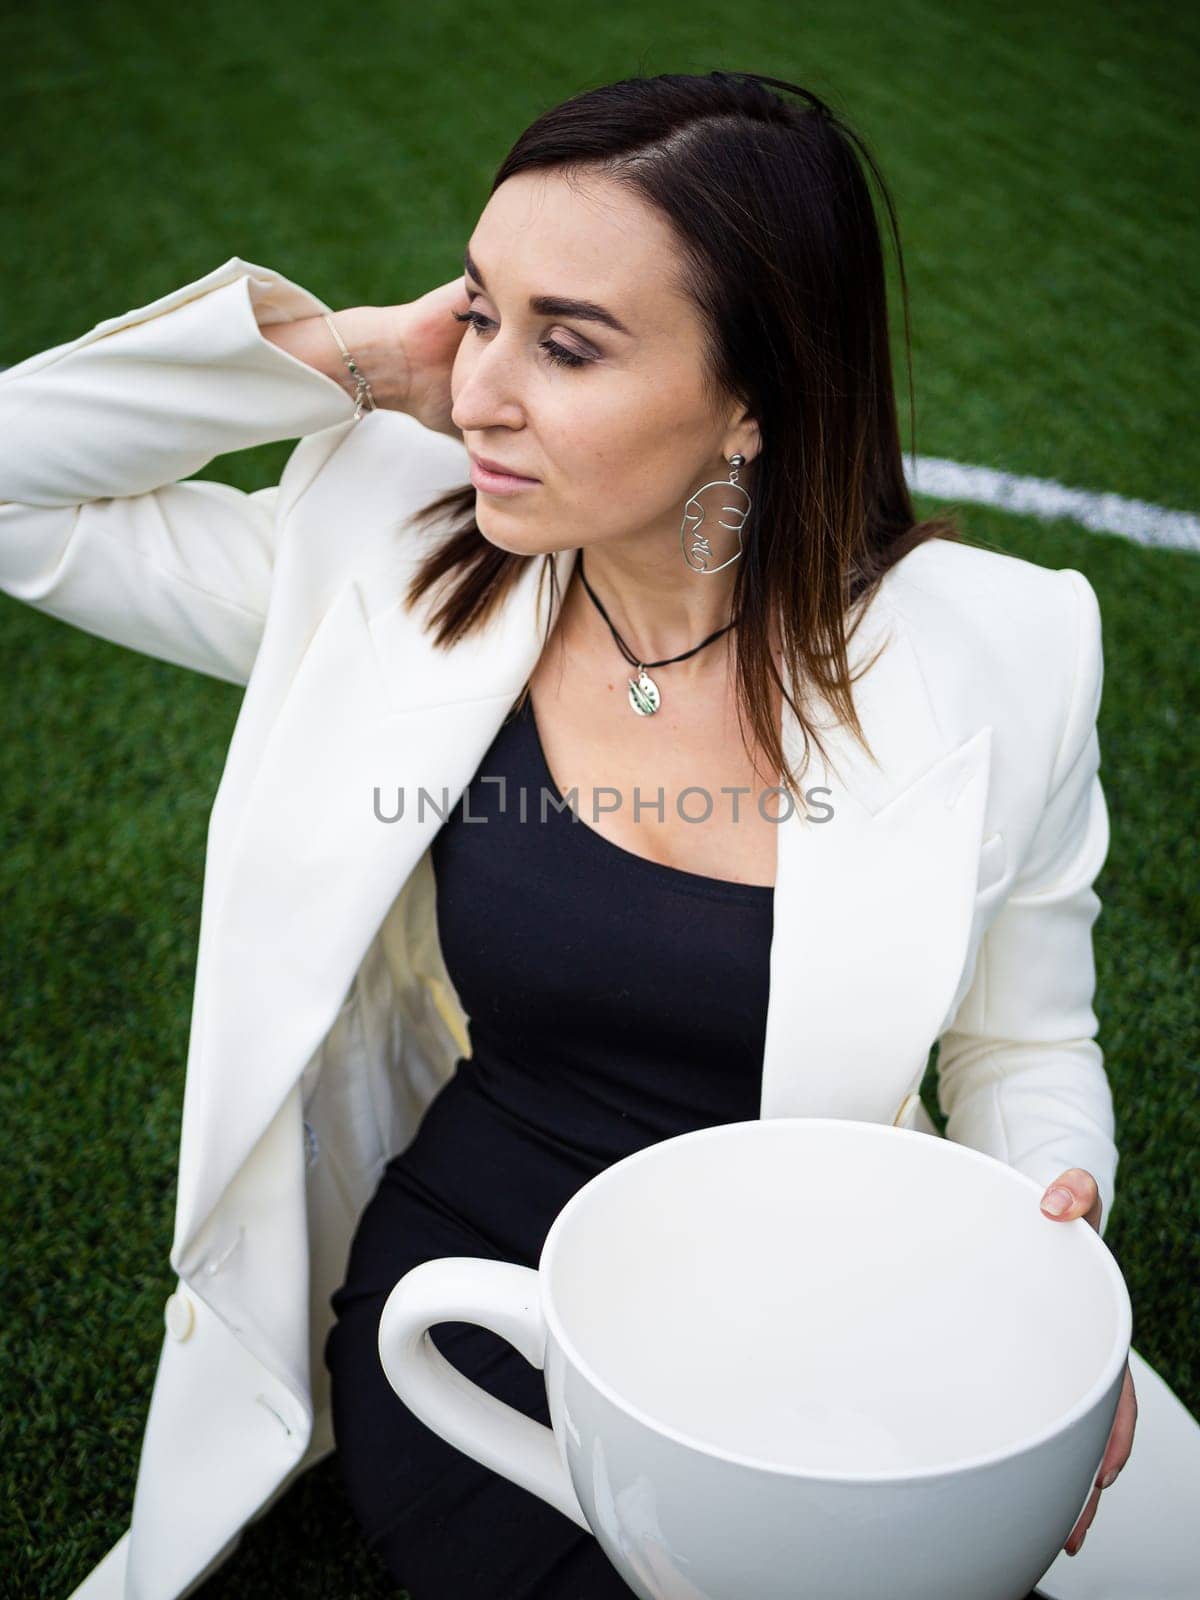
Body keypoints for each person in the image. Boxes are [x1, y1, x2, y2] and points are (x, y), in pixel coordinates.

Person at [1, 69, 1144, 1600]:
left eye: (570, 343)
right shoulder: (393, 558)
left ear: (756, 395)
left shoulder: (1009, 651)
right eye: (480, 314)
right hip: (476, 1287)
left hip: (816, 1304)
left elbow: (1025, 1050)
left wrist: (1050, 1254)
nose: (479, 394)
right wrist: (346, 358)